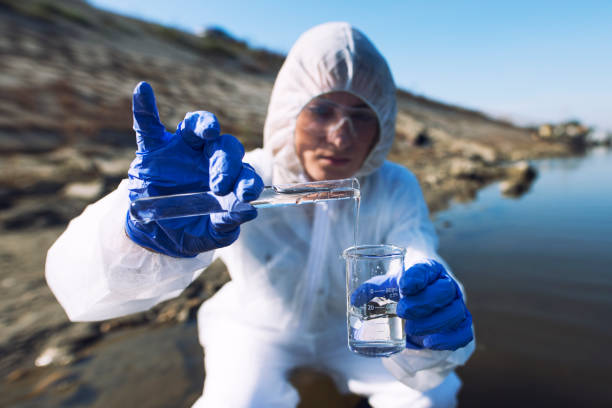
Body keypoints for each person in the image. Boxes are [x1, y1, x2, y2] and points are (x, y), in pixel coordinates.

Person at [46, 22, 475, 407]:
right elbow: (77, 291)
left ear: (382, 126)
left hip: (354, 330)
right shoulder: (239, 178)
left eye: (361, 116)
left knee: (431, 396)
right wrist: (141, 230)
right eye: (323, 110)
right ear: (290, 113)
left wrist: (428, 311)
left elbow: (418, 252)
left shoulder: (395, 185)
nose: (341, 135)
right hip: (256, 329)